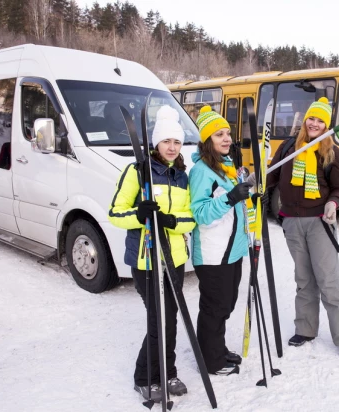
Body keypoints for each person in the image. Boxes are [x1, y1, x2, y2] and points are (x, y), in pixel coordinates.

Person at [108, 105, 195, 403]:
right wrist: (140, 214)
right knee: (160, 319)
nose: (171, 147)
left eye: (177, 142)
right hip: (146, 259)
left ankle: (167, 373)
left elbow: (190, 218)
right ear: (156, 143)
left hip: (175, 259)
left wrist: (172, 222)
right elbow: (115, 213)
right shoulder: (136, 171)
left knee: (169, 319)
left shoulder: (182, 176)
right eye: (166, 141)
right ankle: (145, 377)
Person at [266, 97, 339, 361]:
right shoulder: (287, 148)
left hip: (320, 222)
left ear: (326, 124)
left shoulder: (331, 152)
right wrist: (254, 180)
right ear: (305, 120)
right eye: (311, 118)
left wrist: (333, 202)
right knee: (304, 280)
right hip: (292, 222)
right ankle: (305, 329)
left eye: (320, 120)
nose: (314, 123)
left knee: (329, 280)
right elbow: (271, 178)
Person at [188, 106, 251, 375]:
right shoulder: (202, 171)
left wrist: (245, 192)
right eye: (218, 135)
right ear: (207, 141)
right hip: (214, 253)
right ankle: (210, 360)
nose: (226, 139)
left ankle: (218, 348)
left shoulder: (226, 166)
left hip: (232, 251)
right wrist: (231, 197)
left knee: (226, 304)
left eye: (227, 133)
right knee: (215, 307)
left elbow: (233, 206)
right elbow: (201, 213)